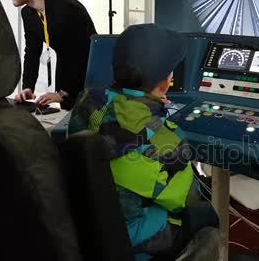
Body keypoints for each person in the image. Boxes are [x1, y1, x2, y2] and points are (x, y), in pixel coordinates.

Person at [68, 24, 220, 260]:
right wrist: (155, 116)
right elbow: (184, 199)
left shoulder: (86, 105)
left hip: (87, 230)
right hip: (133, 239)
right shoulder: (166, 139)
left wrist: (150, 107)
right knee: (206, 219)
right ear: (165, 82)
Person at [6, 0, 97, 109]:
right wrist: (28, 87)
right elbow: (31, 53)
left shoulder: (66, 8)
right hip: (66, 65)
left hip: (88, 71)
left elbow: (81, 53)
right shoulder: (28, 13)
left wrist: (64, 93)